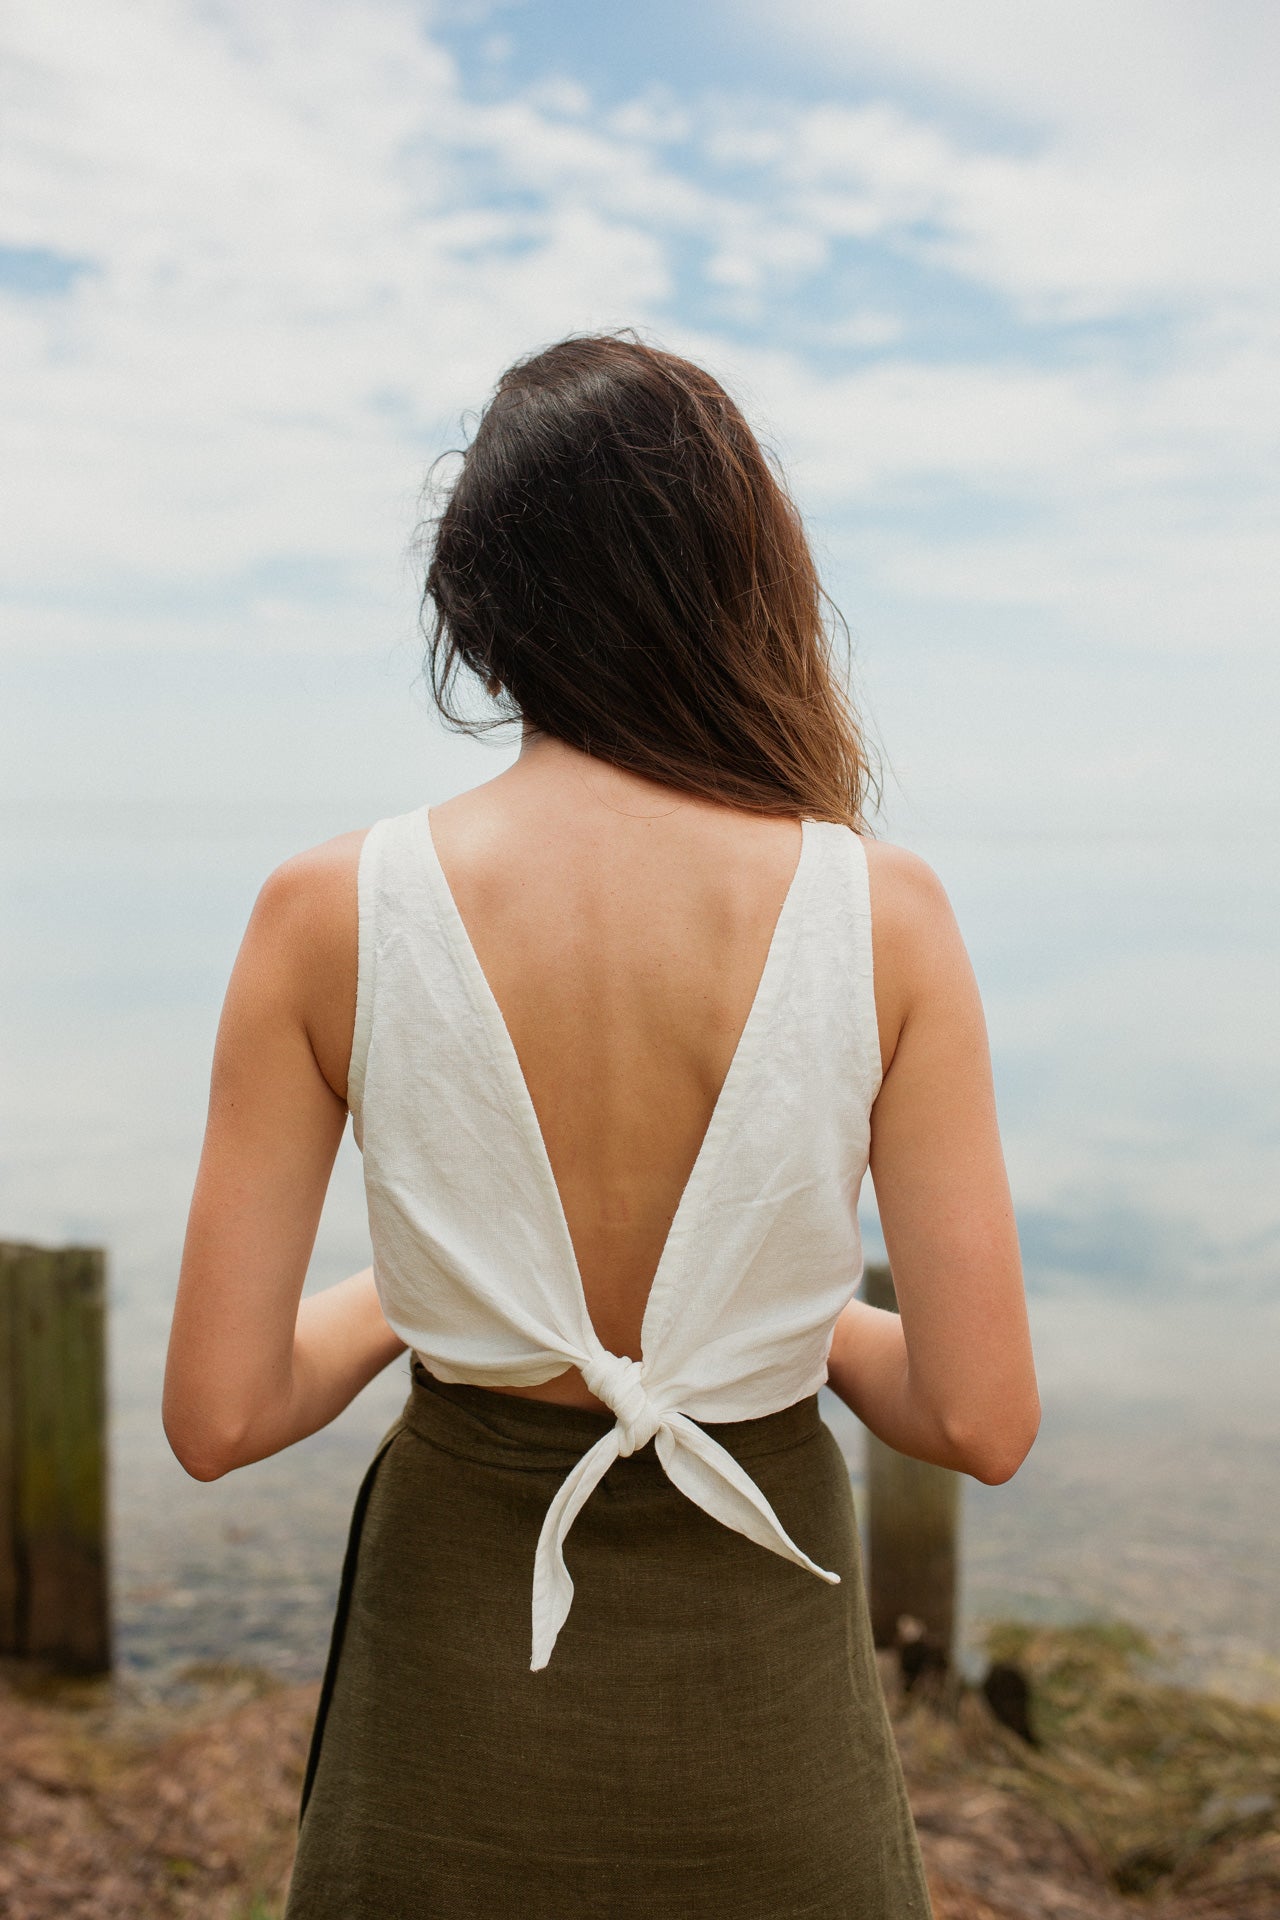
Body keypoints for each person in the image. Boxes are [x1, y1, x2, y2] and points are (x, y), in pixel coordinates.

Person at [163, 333, 1040, 1918]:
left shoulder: (324, 913)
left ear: (479, 606)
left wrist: (427, 1298)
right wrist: (794, 1315)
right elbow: (980, 1419)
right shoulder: (882, 915)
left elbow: (219, 1418)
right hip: (763, 1727)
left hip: (455, 1710)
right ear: (738, 584)